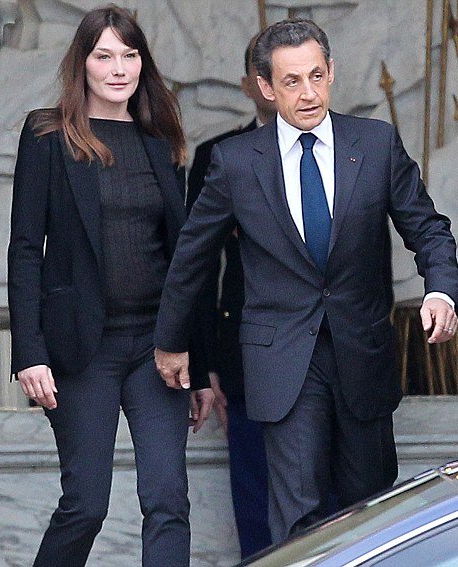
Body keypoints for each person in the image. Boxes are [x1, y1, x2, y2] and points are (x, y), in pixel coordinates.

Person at [154, 18, 458, 543]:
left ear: (332, 72)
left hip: (361, 353)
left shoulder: (375, 143)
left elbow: (428, 229)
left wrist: (440, 290)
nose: (309, 93)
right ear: (266, 87)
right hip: (283, 361)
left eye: (317, 76)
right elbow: (192, 257)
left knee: (372, 512)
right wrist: (172, 341)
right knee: (299, 518)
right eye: (292, 81)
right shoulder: (235, 162)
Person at [7, 6, 213, 566]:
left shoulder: (160, 139)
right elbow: (25, 249)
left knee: (168, 500)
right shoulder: (47, 134)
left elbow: (183, 260)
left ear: (143, 63)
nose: (118, 68)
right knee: (86, 504)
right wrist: (29, 352)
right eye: (104, 56)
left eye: (129, 55)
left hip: (157, 349)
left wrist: (199, 362)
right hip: (82, 348)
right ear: (83, 63)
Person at [186, 36, 275, 558]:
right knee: (256, 503)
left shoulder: (354, 148)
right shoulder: (217, 157)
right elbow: (197, 267)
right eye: (266, 75)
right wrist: (205, 363)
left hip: (334, 357)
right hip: (245, 354)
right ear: (248, 86)